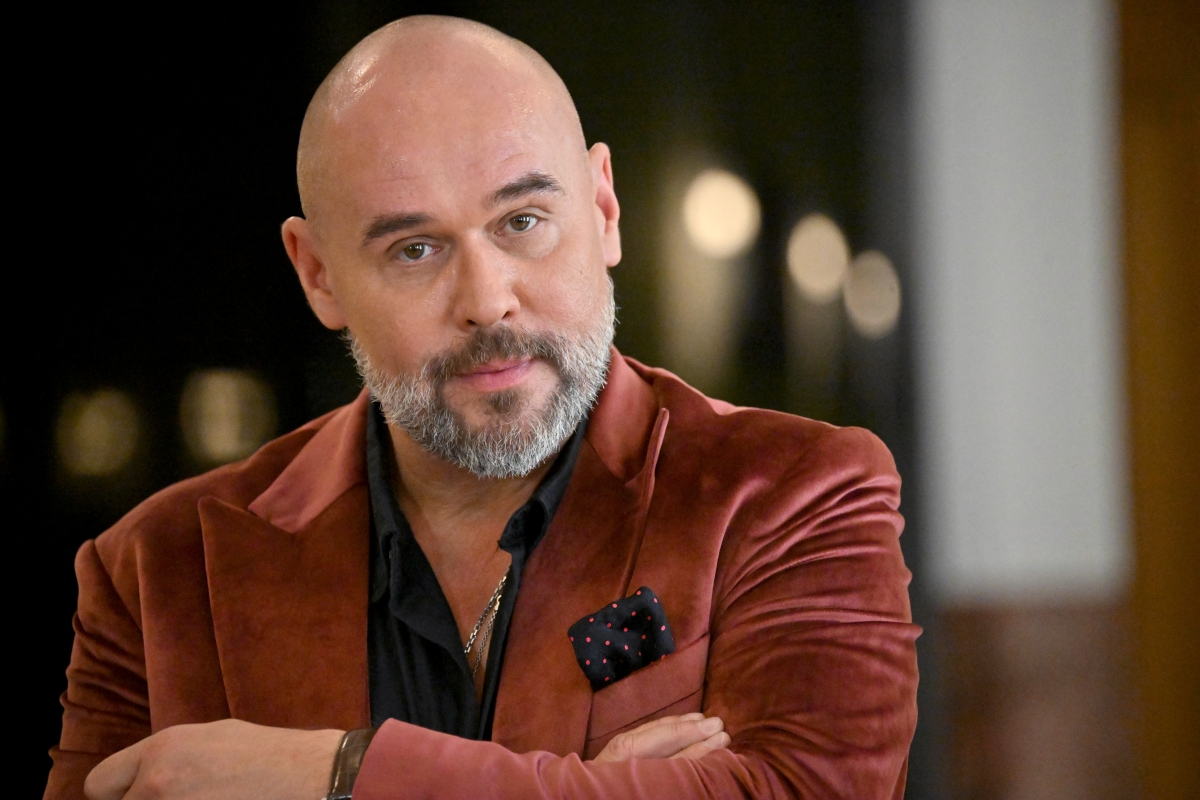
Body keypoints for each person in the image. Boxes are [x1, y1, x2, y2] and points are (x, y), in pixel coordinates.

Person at [47, 15, 919, 800]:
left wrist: (336, 775)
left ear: (604, 208)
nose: (486, 300)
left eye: (522, 222)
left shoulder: (797, 493)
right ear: (318, 275)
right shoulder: (156, 572)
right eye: (415, 249)